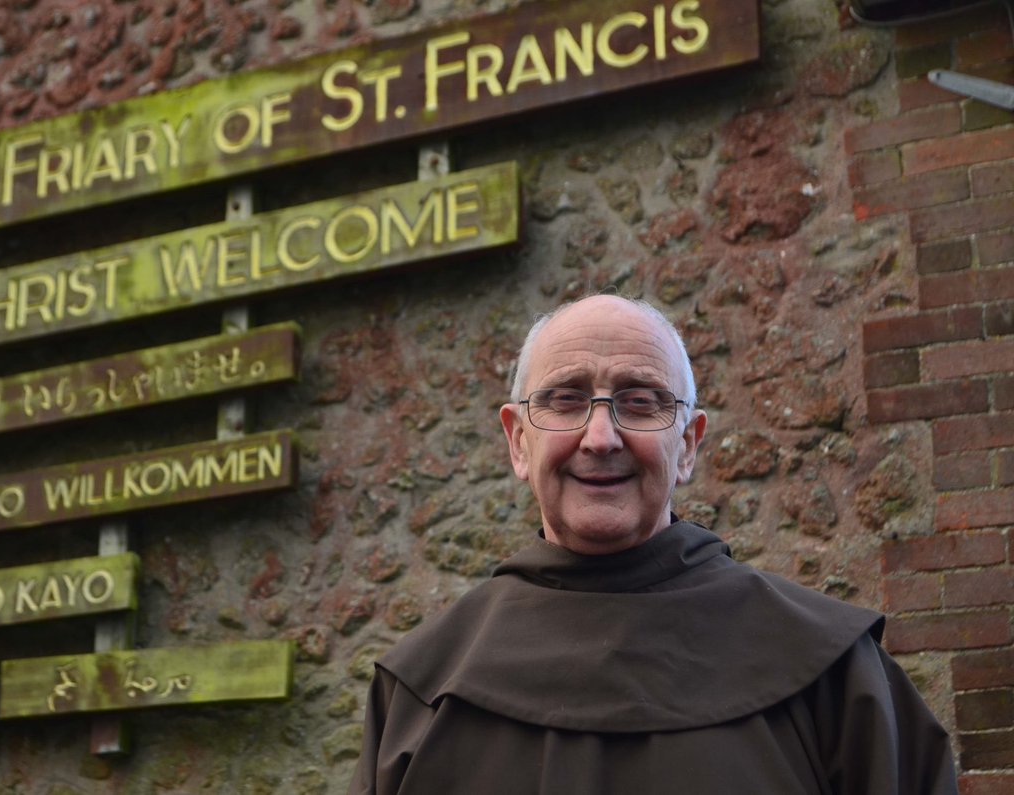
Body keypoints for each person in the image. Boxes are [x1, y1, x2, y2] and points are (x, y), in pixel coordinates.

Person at [350, 294, 958, 794]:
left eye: (641, 402)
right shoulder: (419, 693)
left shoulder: (834, 676)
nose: (600, 437)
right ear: (517, 441)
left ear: (689, 444)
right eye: (565, 400)